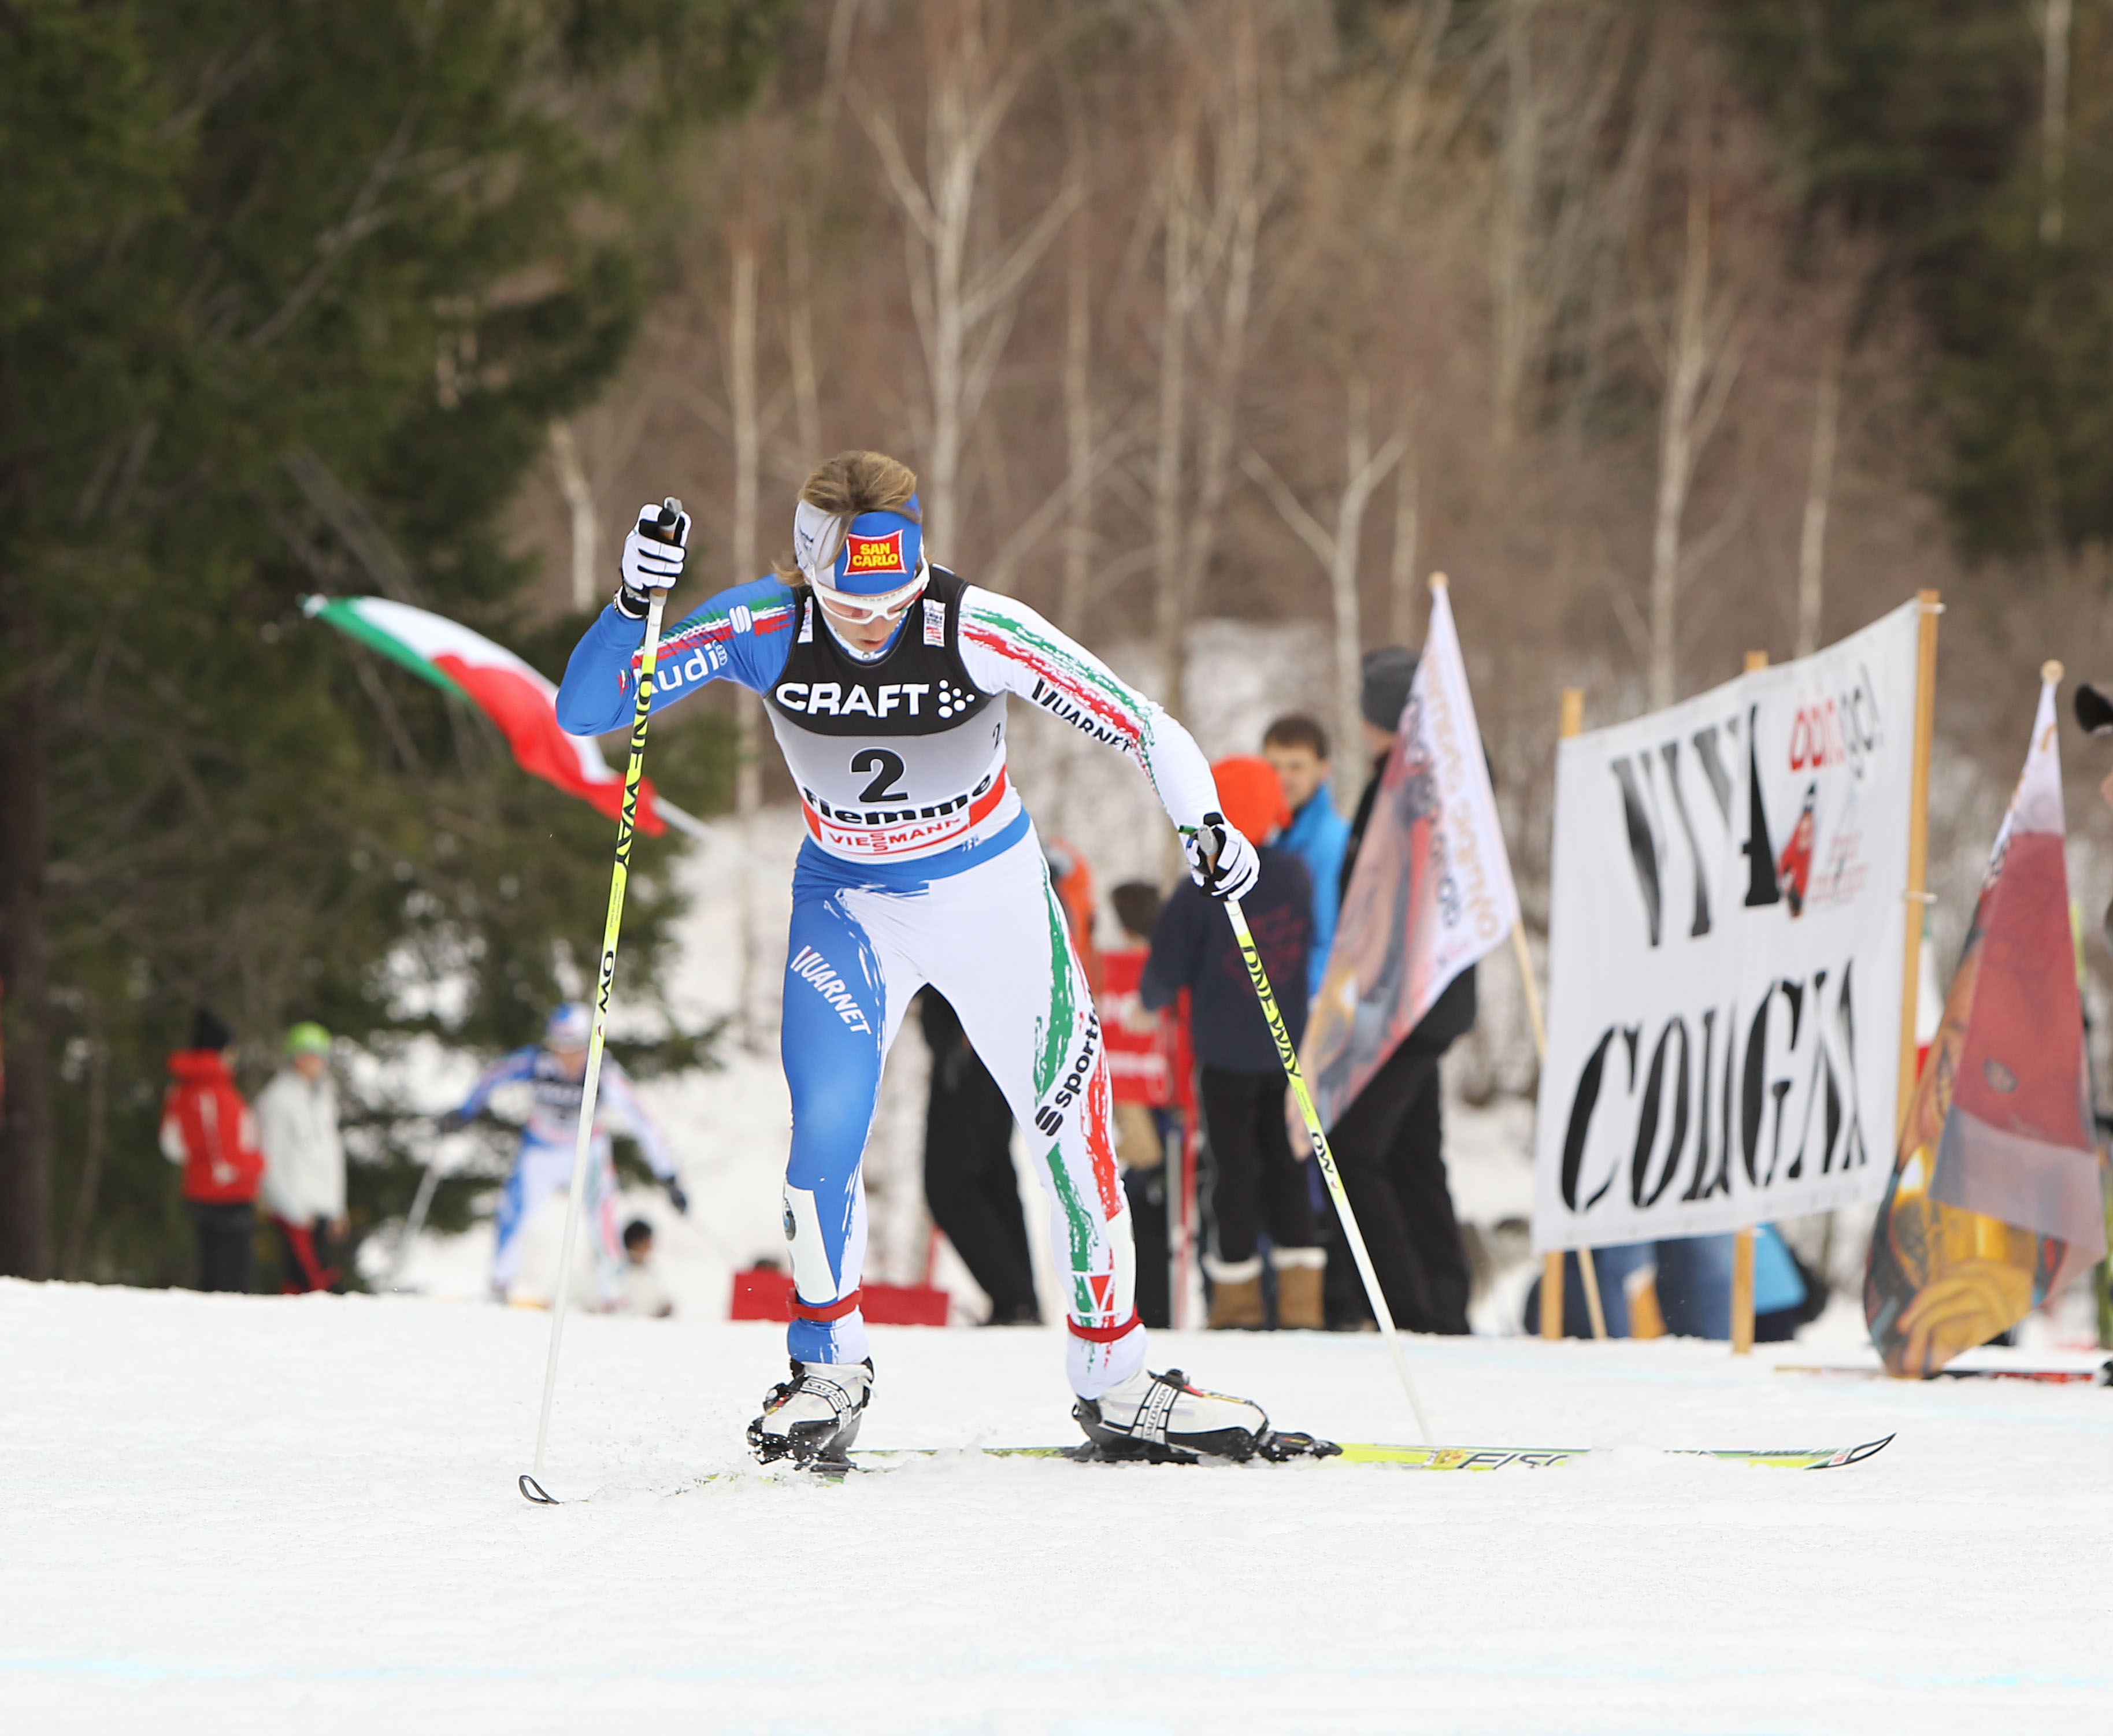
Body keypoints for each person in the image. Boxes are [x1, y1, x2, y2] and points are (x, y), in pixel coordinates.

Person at [555, 450, 1305, 1467]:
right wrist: (634, 598)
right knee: (823, 1134)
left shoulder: (974, 624)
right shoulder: (763, 625)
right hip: (851, 903)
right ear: (809, 572)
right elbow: (590, 711)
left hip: (990, 895)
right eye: (851, 600)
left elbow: (1141, 721)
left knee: (1071, 1128)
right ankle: (829, 1366)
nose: (878, 619)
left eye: (897, 593)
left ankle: (1115, 1376)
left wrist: (1206, 825)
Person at [1320, 647, 1476, 1336]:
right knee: (1413, 1154)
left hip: (1409, 1002)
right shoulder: (1425, 776)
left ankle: (1407, 1308)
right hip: (1422, 998)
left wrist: (1366, 989)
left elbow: (1390, 897)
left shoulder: (1410, 785)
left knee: (1354, 1149)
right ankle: (1442, 1305)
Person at [1140, 756, 1325, 1329]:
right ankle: (1301, 1303)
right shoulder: (1294, 873)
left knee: (1233, 1173)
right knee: (1290, 1169)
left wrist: (1151, 999)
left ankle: (1237, 1301)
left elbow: (1163, 972)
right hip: (1287, 1052)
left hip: (1222, 1055)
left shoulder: (1201, 888)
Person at [440, 1002, 684, 1309]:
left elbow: (642, 1120)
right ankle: (499, 1286)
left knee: (604, 1218)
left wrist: (668, 1174)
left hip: (587, 1151)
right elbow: (495, 1075)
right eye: (559, 1047)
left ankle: (613, 1296)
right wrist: (465, 1112)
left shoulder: (602, 1070)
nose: (566, 1056)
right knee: (513, 1213)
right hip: (541, 1149)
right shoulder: (536, 1061)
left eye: (574, 1048)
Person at [918, 988, 1040, 1325]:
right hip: (985, 1029)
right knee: (990, 1174)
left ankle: (1015, 1299)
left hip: (972, 1031)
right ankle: (1019, 1302)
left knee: (952, 1184)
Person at [1100, 881, 1178, 1329]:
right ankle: (1154, 1309)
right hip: (1164, 1098)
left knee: (1143, 1206)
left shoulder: (1124, 968)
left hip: (1144, 1101)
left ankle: (1149, 1310)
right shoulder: (1169, 963)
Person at [160, 1007, 265, 1293]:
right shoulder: (214, 1091)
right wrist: (255, 1165)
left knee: (213, 1274)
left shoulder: (182, 1090)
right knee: (233, 1279)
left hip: (203, 1189)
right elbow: (225, 1153)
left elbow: (172, 1145)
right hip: (227, 1193)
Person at [1263, 714, 1350, 1001]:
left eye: (1296, 767)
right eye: (1274, 766)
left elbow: (1330, 943)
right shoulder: (1277, 839)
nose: (1283, 778)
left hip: (1314, 1009)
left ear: (1323, 769)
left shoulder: (1332, 842)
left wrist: (1287, 1004)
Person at [255, 1022, 346, 1293]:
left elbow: (330, 1155)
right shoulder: (278, 1099)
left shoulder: (323, 1097)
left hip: (320, 1209)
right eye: (307, 1054)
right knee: (317, 1286)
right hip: (296, 1209)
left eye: (319, 1054)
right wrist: (291, 1208)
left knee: (305, 1284)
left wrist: (336, 1208)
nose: (314, 1061)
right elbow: (269, 1158)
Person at [621, 1218, 675, 1318]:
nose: (651, 1247)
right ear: (636, 1243)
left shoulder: (650, 1271)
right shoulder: (620, 1274)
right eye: (648, 1242)